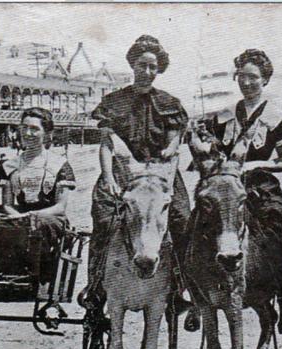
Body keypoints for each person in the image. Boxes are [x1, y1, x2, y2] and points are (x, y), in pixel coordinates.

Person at [80, 34, 198, 329]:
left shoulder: (169, 104)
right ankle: (95, 287)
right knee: (105, 221)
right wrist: (108, 178)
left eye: (152, 67)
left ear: (159, 71)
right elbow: (106, 144)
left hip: (160, 174)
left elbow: (172, 147)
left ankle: (182, 287)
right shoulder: (114, 102)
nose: (146, 72)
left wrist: (160, 169)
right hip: (122, 172)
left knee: (183, 219)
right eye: (141, 65)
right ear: (132, 64)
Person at [194, 49, 282, 333]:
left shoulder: (279, 117)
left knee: (281, 233)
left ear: (265, 79)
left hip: (261, 188)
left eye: (253, 77)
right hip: (227, 187)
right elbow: (214, 154)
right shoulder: (225, 115)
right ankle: (193, 293)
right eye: (242, 76)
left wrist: (252, 165)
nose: (247, 82)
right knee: (194, 225)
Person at [0, 107, 76, 280]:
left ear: (46, 133)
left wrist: (32, 215)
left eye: (34, 129)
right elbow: (7, 204)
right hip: (18, 216)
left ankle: (39, 275)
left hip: (51, 218)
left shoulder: (59, 164)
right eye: (24, 128)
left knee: (40, 223)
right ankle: (4, 273)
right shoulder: (9, 165)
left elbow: (60, 207)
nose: (28, 133)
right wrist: (18, 216)